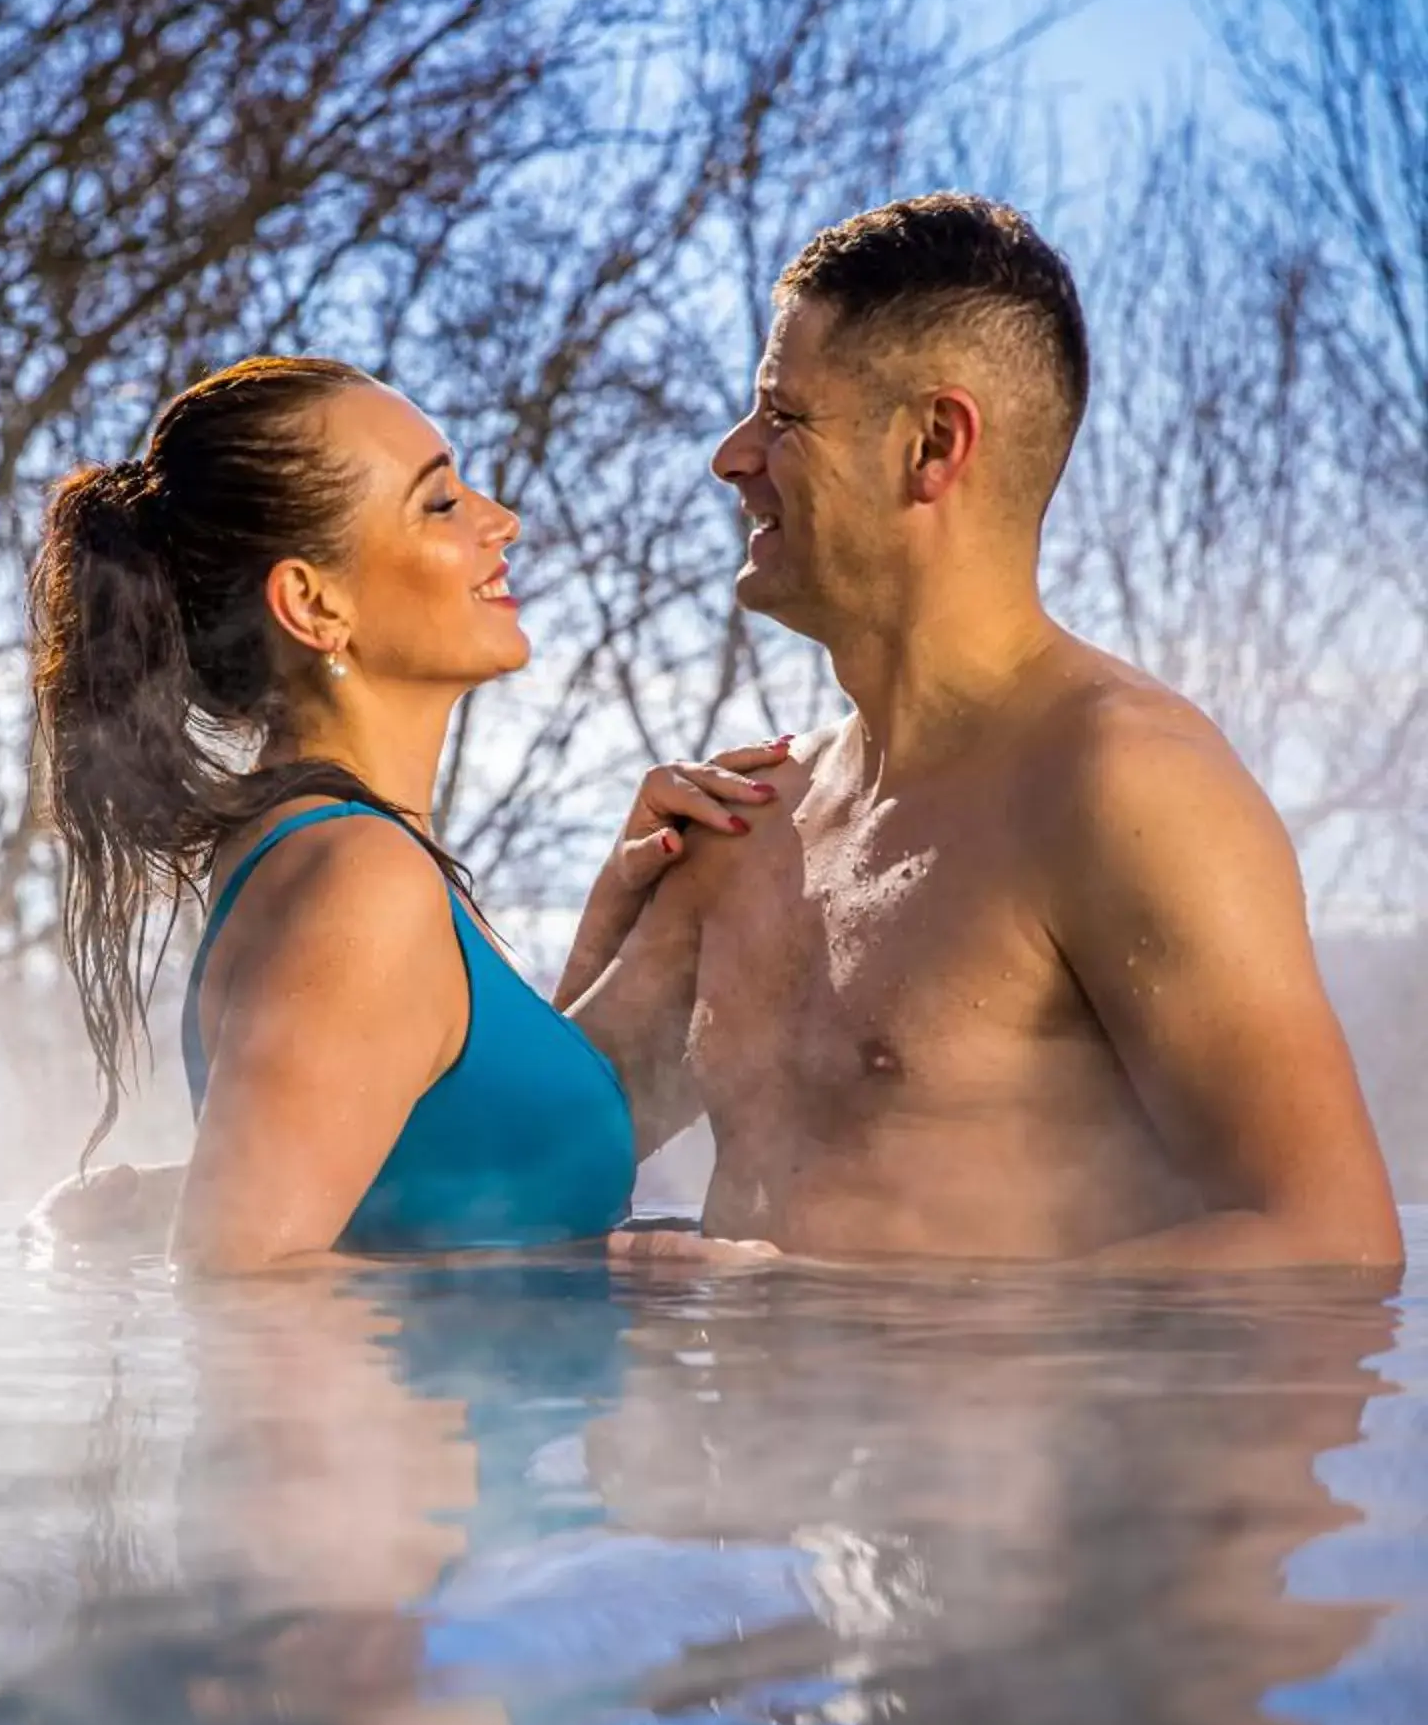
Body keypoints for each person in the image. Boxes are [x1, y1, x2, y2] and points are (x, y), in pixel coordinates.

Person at [561, 193, 1402, 1273]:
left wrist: (813, 1304)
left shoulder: (1122, 791)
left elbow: (1328, 1249)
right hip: (753, 1441)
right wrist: (607, 932)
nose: (730, 457)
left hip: (1006, 1441)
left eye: (781, 417)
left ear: (931, 444)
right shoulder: (752, 821)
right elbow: (525, 1186)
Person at [27, 355, 778, 1275]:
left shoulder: (336, 855)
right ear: (312, 602)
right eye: (440, 504)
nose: (501, 522)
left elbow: (429, 1178)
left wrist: (626, 919)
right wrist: (594, 1274)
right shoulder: (357, 877)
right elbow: (244, 1287)